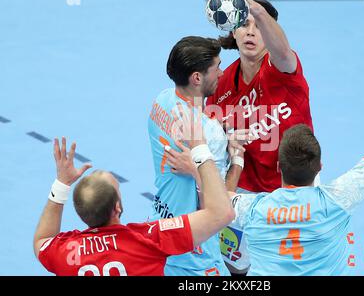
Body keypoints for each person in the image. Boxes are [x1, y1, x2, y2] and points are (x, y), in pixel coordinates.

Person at [226, 46, 364, 275]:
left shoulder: (253, 210)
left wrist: (231, 162)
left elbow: (217, 202)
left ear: (279, 167)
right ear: (319, 167)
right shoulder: (339, 199)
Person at [33, 106, 235, 276]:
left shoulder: (68, 251)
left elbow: (41, 241)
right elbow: (221, 214)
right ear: (117, 208)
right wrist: (199, 148)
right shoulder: (146, 239)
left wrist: (61, 184)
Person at [204, 0, 314, 274]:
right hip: (245, 194)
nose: (251, 31)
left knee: (291, 267)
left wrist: (259, 12)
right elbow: (214, 142)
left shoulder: (283, 69)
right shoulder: (221, 85)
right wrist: (225, 137)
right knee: (236, 266)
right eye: (244, 24)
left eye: (259, 26)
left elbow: (282, 49)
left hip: (294, 189)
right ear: (234, 31)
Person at [147, 36, 246, 276]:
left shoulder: (162, 99)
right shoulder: (208, 134)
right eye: (217, 67)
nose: (222, 73)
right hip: (196, 252)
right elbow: (218, 204)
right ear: (197, 77)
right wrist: (236, 160)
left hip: (161, 226)